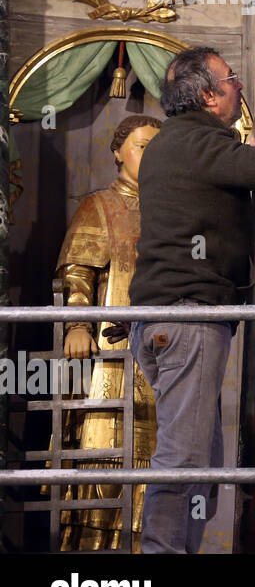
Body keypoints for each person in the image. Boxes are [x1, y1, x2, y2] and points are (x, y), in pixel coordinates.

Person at [129, 47, 255, 553]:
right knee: (186, 459)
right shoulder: (192, 141)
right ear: (207, 93)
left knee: (202, 460)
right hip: (187, 316)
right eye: (232, 79)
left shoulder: (179, 142)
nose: (239, 86)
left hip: (175, 318)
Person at [55, 115, 161, 551]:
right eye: (140, 146)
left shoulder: (170, 209)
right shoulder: (99, 205)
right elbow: (76, 274)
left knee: (155, 459)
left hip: (158, 353)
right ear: (118, 152)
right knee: (102, 451)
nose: (148, 155)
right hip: (108, 353)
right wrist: (78, 324)